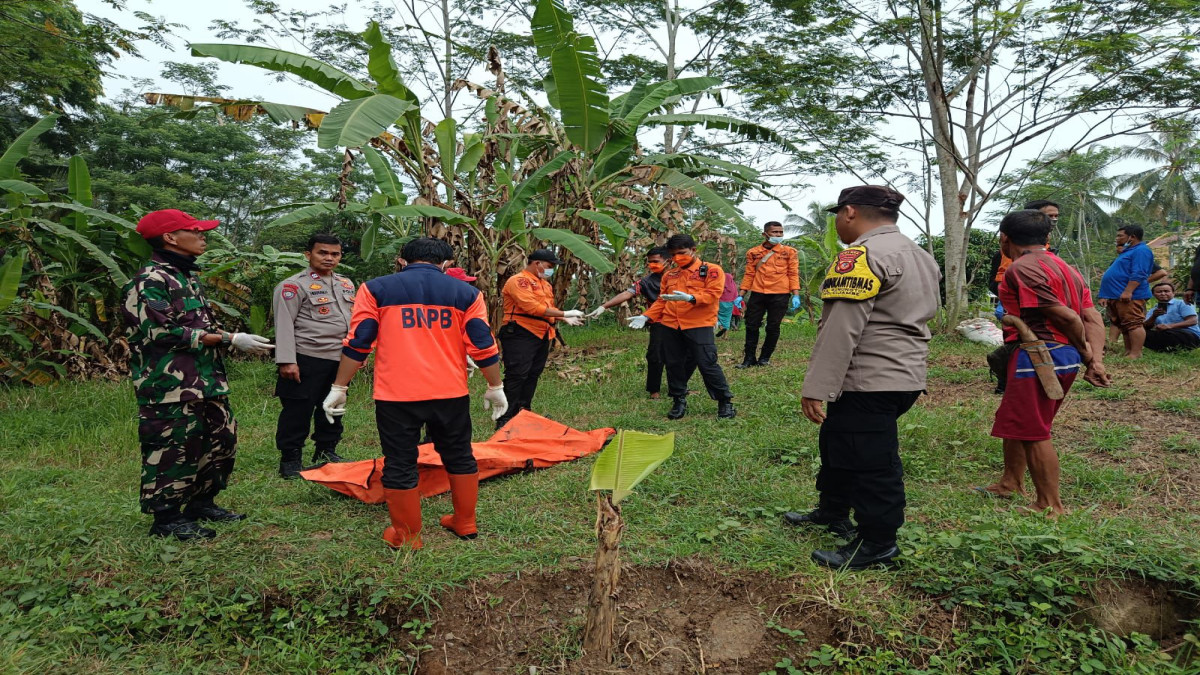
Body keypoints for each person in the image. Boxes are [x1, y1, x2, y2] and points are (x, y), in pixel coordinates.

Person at [783, 186, 940, 570]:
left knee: (872, 461)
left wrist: (816, 387)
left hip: (869, 377)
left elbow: (841, 329)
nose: (836, 222)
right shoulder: (920, 255)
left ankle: (878, 542)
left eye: (837, 214)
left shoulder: (860, 257)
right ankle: (832, 509)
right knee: (840, 440)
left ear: (849, 212)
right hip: (904, 375)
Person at [322, 237, 508, 550]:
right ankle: (465, 522)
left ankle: (407, 536)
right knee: (460, 455)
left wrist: (339, 387)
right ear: (446, 264)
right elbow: (482, 344)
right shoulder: (467, 293)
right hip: (449, 392)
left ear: (402, 260)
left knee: (399, 462)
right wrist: (496, 386)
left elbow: (359, 341)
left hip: (397, 395)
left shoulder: (376, 289)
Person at [122, 209, 274, 540]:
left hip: (207, 381)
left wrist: (230, 338)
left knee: (221, 442)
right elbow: (158, 332)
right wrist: (229, 339)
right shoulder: (150, 280)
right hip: (168, 385)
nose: (204, 237)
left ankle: (201, 503)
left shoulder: (187, 277)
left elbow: (200, 326)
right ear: (170, 237)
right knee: (174, 448)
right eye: (196, 231)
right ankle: (165, 519)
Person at [979, 210, 1110, 516]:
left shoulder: (1021, 269)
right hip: (1050, 355)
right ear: (1047, 237)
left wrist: (1087, 355)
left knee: (1033, 430)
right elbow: (1091, 316)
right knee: (1018, 419)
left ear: (1004, 238)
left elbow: (1066, 316)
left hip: (1040, 354)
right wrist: (1095, 360)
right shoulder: (1068, 269)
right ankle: (1010, 482)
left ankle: (1050, 504)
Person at [272, 234, 356, 478]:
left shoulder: (346, 283)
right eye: (323, 253)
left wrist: (356, 354)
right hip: (306, 357)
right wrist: (287, 360)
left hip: (340, 358)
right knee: (297, 411)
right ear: (308, 255)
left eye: (335, 254)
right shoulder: (293, 286)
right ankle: (290, 460)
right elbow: (284, 325)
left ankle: (326, 451)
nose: (329, 258)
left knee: (332, 408)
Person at [627, 234, 736, 420]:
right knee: (673, 364)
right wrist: (646, 317)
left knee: (707, 363)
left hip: (698, 324)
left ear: (694, 250)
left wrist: (691, 298)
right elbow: (662, 301)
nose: (677, 258)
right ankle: (678, 400)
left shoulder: (711, 270)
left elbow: (713, 294)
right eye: (673, 255)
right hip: (671, 324)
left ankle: (724, 402)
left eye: (682, 253)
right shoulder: (670, 275)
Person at [495, 249, 585, 427]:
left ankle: (524, 412)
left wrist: (563, 317)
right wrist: (564, 312)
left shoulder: (545, 284)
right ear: (537, 263)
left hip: (542, 332)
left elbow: (547, 308)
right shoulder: (519, 281)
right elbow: (531, 307)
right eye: (549, 266)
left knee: (533, 374)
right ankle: (505, 417)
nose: (551, 270)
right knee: (517, 375)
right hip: (520, 332)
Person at [986, 200, 1060, 393]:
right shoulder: (1017, 249)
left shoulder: (1045, 245)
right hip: (1019, 296)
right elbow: (1003, 275)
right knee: (1017, 336)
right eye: (1048, 216)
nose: (1053, 220)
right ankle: (1007, 380)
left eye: (1055, 216)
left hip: (1035, 297)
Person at [587, 247, 669, 398]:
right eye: (649, 262)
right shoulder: (646, 282)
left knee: (683, 355)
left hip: (682, 320)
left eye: (656, 261)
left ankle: (679, 387)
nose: (652, 265)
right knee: (655, 355)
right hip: (659, 321)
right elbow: (627, 293)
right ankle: (654, 391)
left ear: (667, 260)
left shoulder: (678, 277)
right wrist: (604, 306)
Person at [737, 221, 801, 368]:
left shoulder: (790, 252)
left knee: (773, 327)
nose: (778, 235)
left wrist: (795, 294)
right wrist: (741, 294)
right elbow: (749, 274)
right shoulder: (753, 252)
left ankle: (764, 358)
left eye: (780, 232)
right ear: (765, 234)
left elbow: (793, 274)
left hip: (780, 294)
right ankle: (749, 358)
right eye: (774, 232)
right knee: (751, 325)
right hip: (758, 293)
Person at [1098, 224, 1154, 359]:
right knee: (1125, 325)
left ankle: (1136, 353)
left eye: (1120, 235)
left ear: (1132, 237)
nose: (1117, 238)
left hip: (1131, 295)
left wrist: (1128, 291)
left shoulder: (1141, 251)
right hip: (1117, 294)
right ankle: (1128, 351)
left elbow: (1140, 273)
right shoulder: (1128, 251)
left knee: (1133, 323)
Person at [1143, 281, 1200, 352]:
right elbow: (1146, 326)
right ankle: (1166, 348)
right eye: (1159, 292)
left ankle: (1166, 347)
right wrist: (1153, 316)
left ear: (1173, 293)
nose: (1163, 294)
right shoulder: (1154, 310)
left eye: (1166, 291)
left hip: (1189, 335)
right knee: (1141, 333)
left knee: (1169, 335)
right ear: (1154, 295)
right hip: (1167, 333)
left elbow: (1193, 321)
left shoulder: (1182, 303)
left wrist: (1169, 326)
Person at [716, 267, 738, 338]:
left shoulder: (720, 285)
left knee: (716, 317)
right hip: (730, 303)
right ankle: (725, 336)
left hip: (720, 302)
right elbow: (736, 295)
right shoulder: (733, 285)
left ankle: (721, 327)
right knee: (727, 319)